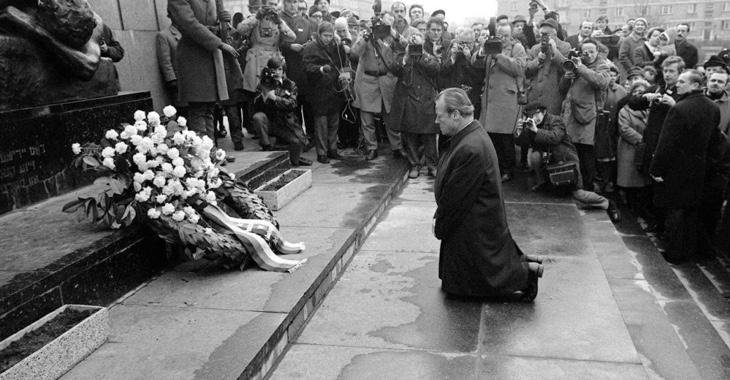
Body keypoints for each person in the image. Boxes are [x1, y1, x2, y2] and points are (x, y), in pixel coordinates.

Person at [433, 88, 544, 302]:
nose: (437, 121)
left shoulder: (470, 147)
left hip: (474, 224)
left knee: (480, 281)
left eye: (440, 116)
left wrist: (440, 223)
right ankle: (523, 263)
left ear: (456, 114)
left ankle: (526, 274)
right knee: (460, 282)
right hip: (474, 220)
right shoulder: (470, 136)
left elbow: (456, 200)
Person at [650, 69, 722, 263]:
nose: (678, 84)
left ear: (695, 85)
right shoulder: (713, 108)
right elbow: (713, 141)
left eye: (683, 82)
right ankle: (689, 250)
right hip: (699, 167)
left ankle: (674, 253)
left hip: (676, 168)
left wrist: (656, 168)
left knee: (675, 210)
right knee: (691, 210)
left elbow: (666, 142)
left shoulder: (680, 108)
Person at [515, 102, 621, 222]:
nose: (533, 118)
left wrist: (535, 130)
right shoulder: (532, 125)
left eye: (535, 115)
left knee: (578, 194)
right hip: (549, 165)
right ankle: (542, 183)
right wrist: (519, 131)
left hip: (566, 163)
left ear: (543, 112)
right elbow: (521, 143)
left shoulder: (556, 121)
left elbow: (555, 137)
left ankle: (607, 203)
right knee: (535, 157)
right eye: (530, 116)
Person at [168, 0, 240, 141]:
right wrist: (219, 43)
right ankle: (202, 154)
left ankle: (210, 150)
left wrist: (223, 22)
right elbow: (189, 24)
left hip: (210, 55)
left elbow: (219, 27)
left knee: (209, 108)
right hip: (194, 57)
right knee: (198, 108)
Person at [472, 20, 527, 182]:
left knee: (505, 139)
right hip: (490, 101)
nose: (503, 39)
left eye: (506, 36)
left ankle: (508, 170)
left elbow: (519, 68)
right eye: (500, 35)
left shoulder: (517, 48)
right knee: (492, 138)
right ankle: (494, 169)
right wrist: (482, 52)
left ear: (511, 36)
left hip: (506, 100)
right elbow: (475, 63)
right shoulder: (491, 46)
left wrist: (498, 55)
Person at [351, 16, 406, 161]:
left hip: (387, 81)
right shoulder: (366, 36)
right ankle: (371, 148)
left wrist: (392, 31)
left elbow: (405, 46)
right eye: (377, 25)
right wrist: (366, 35)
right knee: (367, 119)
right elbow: (355, 51)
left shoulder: (391, 37)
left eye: (383, 25)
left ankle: (397, 147)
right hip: (368, 82)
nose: (379, 28)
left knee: (390, 117)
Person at [387, 32, 440, 179]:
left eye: (418, 43)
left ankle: (432, 165)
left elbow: (436, 68)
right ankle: (414, 164)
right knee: (410, 134)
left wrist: (421, 54)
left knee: (429, 135)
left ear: (423, 43)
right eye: (413, 44)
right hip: (409, 99)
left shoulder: (429, 57)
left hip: (427, 101)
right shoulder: (403, 56)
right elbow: (394, 69)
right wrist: (406, 56)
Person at [559, 38, 610, 190]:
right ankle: (573, 186)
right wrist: (566, 78)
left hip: (588, 117)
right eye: (585, 51)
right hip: (570, 115)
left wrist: (580, 68)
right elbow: (562, 90)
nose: (588, 54)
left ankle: (587, 188)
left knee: (586, 155)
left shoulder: (601, 65)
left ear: (597, 52)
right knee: (571, 153)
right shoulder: (575, 63)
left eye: (592, 51)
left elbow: (601, 82)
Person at [302, 21, 349, 163]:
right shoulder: (310, 47)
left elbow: (342, 61)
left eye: (330, 35)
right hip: (319, 90)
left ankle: (333, 149)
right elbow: (306, 66)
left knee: (334, 122)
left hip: (333, 90)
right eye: (325, 35)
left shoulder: (335, 46)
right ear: (319, 35)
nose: (328, 38)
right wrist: (320, 69)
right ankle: (321, 152)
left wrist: (340, 45)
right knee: (321, 125)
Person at [252, 57, 311, 166]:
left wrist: (276, 98)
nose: (277, 72)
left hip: (286, 122)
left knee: (298, 144)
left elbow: (292, 104)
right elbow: (255, 106)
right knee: (258, 117)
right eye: (274, 70)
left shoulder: (290, 84)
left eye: (280, 69)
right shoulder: (263, 84)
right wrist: (263, 97)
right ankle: (266, 147)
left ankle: (293, 158)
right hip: (270, 120)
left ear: (283, 70)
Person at [616, 80, 653, 217]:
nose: (639, 95)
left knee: (642, 181)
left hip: (645, 149)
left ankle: (640, 207)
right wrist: (642, 140)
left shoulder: (649, 111)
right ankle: (631, 207)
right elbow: (624, 129)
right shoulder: (625, 111)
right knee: (630, 178)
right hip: (630, 148)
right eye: (636, 92)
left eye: (642, 93)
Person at [525, 18, 570, 116]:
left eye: (545, 34)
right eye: (541, 33)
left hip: (553, 99)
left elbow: (566, 69)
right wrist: (537, 61)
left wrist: (555, 52)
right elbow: (526, 70)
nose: (542, 36)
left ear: (554, 34)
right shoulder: (535, 48)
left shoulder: (565, 47)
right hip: (535, 97)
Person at [156, 22, 187, 114]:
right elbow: (165, 60)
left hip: (195, 81)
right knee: (185, 113)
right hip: (180, 82)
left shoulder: (190, 33)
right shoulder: (164, 35)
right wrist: (172, 79)